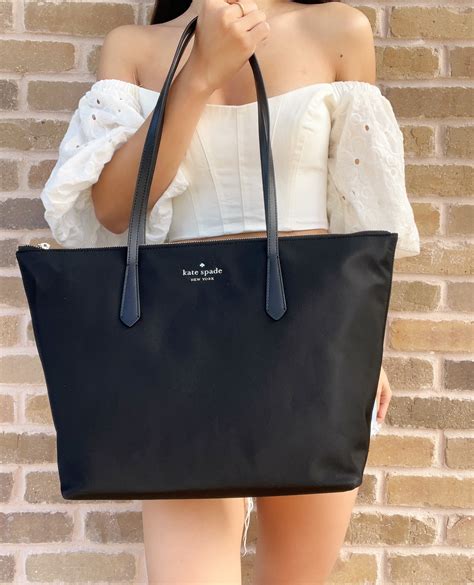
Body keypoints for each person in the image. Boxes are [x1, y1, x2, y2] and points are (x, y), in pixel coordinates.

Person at [39, 0, 420, 582]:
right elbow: (114, 211)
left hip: (314, 351)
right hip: (179, 361)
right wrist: (199, 75)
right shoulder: (135, 48)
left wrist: (368, 348)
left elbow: (359, 222)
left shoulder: (338, 30)